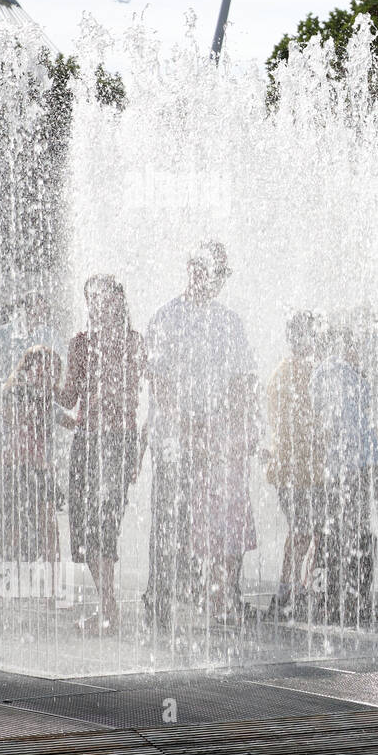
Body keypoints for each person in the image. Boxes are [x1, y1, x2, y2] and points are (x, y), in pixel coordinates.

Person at [144, 241, 259, 629]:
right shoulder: (167, 318)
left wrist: (227, 426)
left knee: (219, 521)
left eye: (219, 274)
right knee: (169, 520)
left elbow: (244, 381)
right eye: (207, 270)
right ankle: (160, 598)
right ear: (192, 270)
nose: (212, 280)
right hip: (174, 442)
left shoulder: (229, 322)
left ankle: (223, 595)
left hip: (215, 443)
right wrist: (189, 422)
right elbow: (159, 381)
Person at [56, 276, 146, 633]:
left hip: (115, 442)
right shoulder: (80, 345)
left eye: (105, 299)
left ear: (119, 303)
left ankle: (109, 610)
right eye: (92, 300)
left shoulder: (134, 343)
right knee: (87, 527)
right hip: (91, 441)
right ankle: (107, 606)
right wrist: (45, 384)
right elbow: (68, 399)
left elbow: (142, 395)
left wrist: (141, 444)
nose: (98, 306)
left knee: (105, 524)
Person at [309, 319, 378, 626]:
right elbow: (361, 413)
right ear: (345, 346)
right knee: (357, 532)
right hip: (355, 465)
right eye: (355, 346)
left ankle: (328, 600)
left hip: (339, 464)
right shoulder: (346, 373)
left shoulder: (321, 374)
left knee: (335, 531)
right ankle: (356, 600)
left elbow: (319, 413)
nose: (358, 352)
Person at [0, 346, 65, 568]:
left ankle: (54, 588)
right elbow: (5, 420)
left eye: (52, 372)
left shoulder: (48, 402)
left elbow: (69, 421)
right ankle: (5, 576)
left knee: (49, 527)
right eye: (41, 370)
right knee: (12, 528)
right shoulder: (14, 392)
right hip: (13, 468)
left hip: (39, 469)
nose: (46, 376)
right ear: (28, 368)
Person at [262, 311, 323, 621]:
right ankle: (288, 593)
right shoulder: (297, 373)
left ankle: (298, 591)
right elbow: (300, 424)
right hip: (298, 468)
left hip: (302, 468)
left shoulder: (286, 373)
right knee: (303, 532)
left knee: (308, 532)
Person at [0, 288, 66, 421]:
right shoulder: (2, 334)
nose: (40, 314)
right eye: (36, 310)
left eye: (42, 310)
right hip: (10, 400)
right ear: (24, 310)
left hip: (41, 402)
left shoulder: (48, 334)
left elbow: (63, 362)